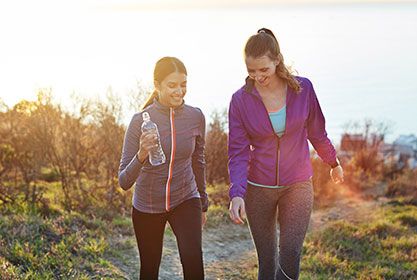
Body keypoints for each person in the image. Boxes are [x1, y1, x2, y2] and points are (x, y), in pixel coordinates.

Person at [228, 28, 344, 280]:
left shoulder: (303, 89)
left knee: (290, 255)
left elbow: (317, 132)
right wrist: (236, 194)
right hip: (258, 187)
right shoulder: (240, 101)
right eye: (251, 71)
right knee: (267, 264)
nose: (258, 77)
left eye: (264, 70)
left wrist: (333, 162)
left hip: (298, 184)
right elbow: (237, 152)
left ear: (277, 61)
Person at [119, 56, 208, 280]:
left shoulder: (195, 117)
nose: (179, 91)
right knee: (149, 270)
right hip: (147, 206)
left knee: (194, 266)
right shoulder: (139, 121)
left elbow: (199, 161)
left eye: (183, 85)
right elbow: (124, 181)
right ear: (157, 86)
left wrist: (203, 203)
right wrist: (141, 154)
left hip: (186, 198)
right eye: (172, 85)